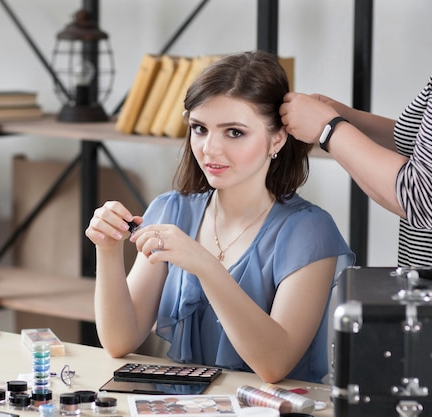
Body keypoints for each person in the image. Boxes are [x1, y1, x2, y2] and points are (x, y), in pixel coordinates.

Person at [85, 51, 354, 384]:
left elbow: (275, 364)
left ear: (277, 139)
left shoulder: (309, 231)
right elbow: (118, 341)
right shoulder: (172, 210)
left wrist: (205, 265)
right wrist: (107, 250)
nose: (210, 149)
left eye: (234, 132)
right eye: (200, 128)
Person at [280, 60, 432, 268]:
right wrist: (344, 118)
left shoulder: (307, 232)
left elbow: (424, 195)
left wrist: (329, 129)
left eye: (236, 132)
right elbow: (422, 147)